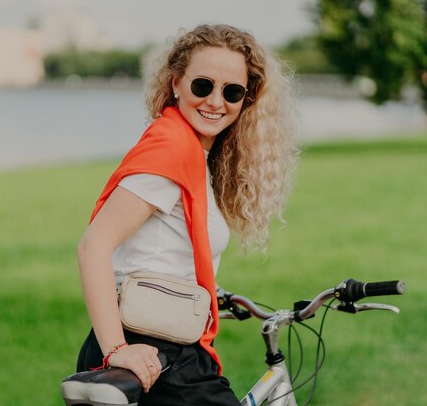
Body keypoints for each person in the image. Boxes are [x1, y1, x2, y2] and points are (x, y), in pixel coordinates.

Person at [75, 23, 297, 406]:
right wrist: (116, 349)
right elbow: (93, 245)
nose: (215, 101)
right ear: (176, 83)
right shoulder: (173, 147)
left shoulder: (192, 150)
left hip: (163, 347)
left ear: (246, 99)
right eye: (202, 85)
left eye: (232, 92)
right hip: (156, 355)